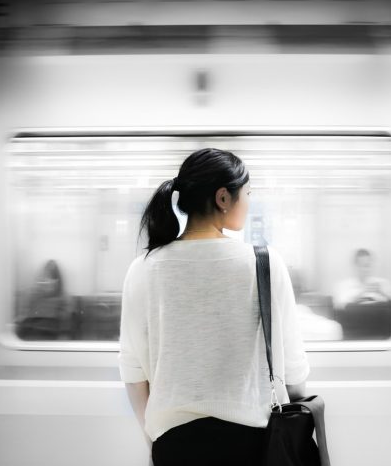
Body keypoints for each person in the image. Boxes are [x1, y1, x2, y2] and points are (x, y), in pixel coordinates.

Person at [118, 148, 310, 466]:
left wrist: (153, 441)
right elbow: (293, 370)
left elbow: (133, 371)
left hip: (174, 447)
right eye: (246, 193)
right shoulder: (266, 263)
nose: (248, 202)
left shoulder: (143, 268)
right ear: (223, 198)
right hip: (254, 445)